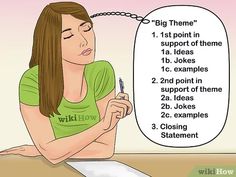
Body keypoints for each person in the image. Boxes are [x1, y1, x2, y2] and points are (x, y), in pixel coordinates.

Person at [0, 2, 132, 164]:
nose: (84, 41)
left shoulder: (102, 72)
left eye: (87, 29)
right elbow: (52, 153)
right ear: (51, 42)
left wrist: (47, 150)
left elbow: (104, 149)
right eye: (68, 36)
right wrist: (103, 126)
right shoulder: (32, 81)